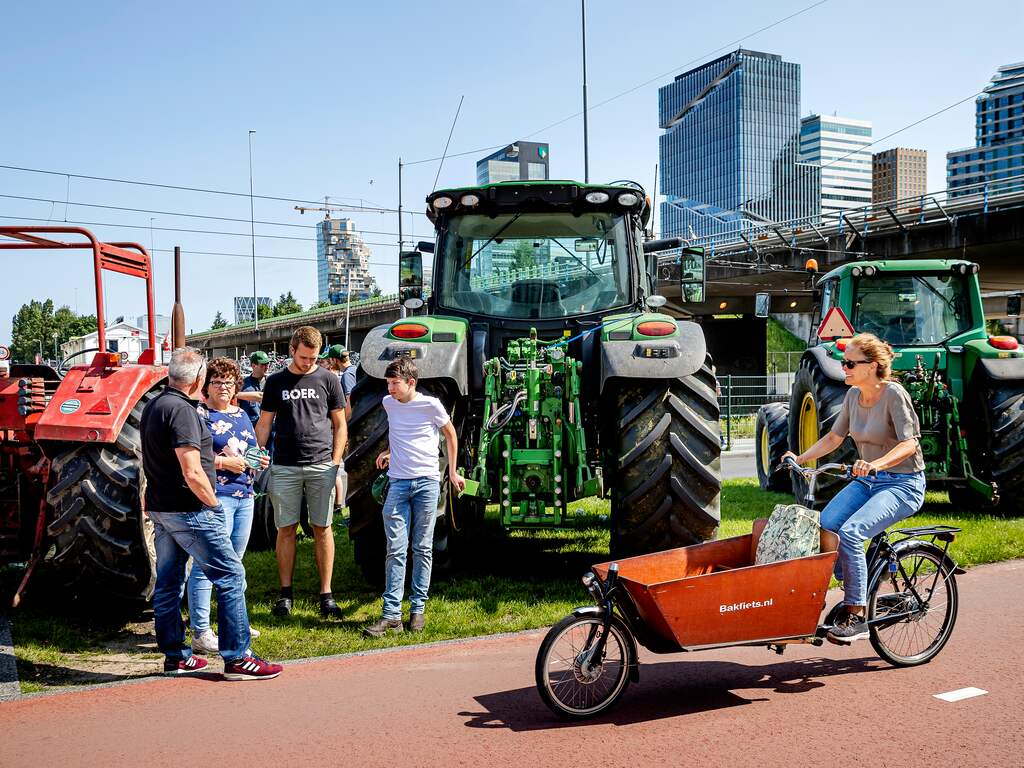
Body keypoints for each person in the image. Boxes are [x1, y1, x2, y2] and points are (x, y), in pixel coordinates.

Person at [140, 347, 282, 680]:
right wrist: (214, 505)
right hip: (190, 509)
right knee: (231, 575)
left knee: (170, 582)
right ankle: (238, 658)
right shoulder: (184, 412)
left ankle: (176, 657)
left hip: (163, 509)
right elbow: (191, 471)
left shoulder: (154, 406)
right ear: (200, 379)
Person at [782, 332, 925, 644]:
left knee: (852, 532)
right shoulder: (851, 397)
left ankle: (856, 614)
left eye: (849, 362)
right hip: (868, 481)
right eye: (842, 361)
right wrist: (801, 457)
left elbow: (910, 444)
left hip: (903, 484)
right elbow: (834, 438)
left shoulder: (893, 394)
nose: (842, 367)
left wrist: (877, 464)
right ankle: (859, 578)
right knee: (828, 525)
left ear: (872, 366)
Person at [365, 358, 465, 637]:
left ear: (411, 382)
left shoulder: (431, 405)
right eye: (388, 383)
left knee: (422, 547)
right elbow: (399, 433)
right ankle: (391, 615)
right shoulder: (389, 403)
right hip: (397, 483)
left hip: (426, 483)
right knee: (395, 549)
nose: (390, 389)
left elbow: (450, 435)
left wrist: (453, 472)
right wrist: (388, 451)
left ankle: (417, 609)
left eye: (394, 383)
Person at [255, 326, 347, 619]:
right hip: (284, 464)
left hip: (321, 463)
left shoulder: (329, 379)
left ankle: (326, 594)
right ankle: (285, 594)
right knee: (286, 529)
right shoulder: (276, 382)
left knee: (323, 528)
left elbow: (340, 424)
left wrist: (335, 462)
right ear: (291, 351)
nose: (309, 363)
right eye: (304, 357)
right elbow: (265, 423)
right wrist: (256, 453)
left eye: (314, 358)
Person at [187, 357, 270, 655]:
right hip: (215, 495)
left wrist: (258, 458)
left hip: (244, 495)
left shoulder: (241, 415)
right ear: (206, 386)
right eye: (217, 382)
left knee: (235, 563)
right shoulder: (199, 415)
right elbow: (191, 457)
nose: (224, 387)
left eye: (229, 382)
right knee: (207, 563)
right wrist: (224, 462)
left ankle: (234, 622)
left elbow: (248, 449)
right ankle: (201, 631)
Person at [320, 344, 354, 521]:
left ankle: (340, 505)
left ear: (334, 360)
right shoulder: (354, 370)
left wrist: (342, 426)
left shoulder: (347, 376)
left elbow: (348, 405)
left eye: (328, 359)